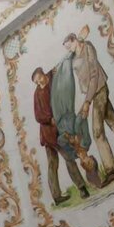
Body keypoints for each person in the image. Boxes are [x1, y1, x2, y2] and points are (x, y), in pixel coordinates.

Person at [62, 31, 114, 186]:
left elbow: (94, 75)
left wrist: (87, 102)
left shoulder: (87, 48)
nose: (69, 49)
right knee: (113, 120)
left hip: (99, 89)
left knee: (97, 131)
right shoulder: (73, 57)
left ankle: (111, 170)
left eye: (69, 46)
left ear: (74, 40)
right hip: (93, 93)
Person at [31, 66, 89, 205]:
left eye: (40, 79)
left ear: (43, 75)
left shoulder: (51, 80)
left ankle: (82, 188)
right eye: (37, 82)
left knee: (69, 158)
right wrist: (49, 119)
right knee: (53, 163)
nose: (39, 83)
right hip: (48, 134)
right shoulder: (37, 94)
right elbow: (38, 116)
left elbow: (55, 71)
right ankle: (57, 196)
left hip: (60, 130)